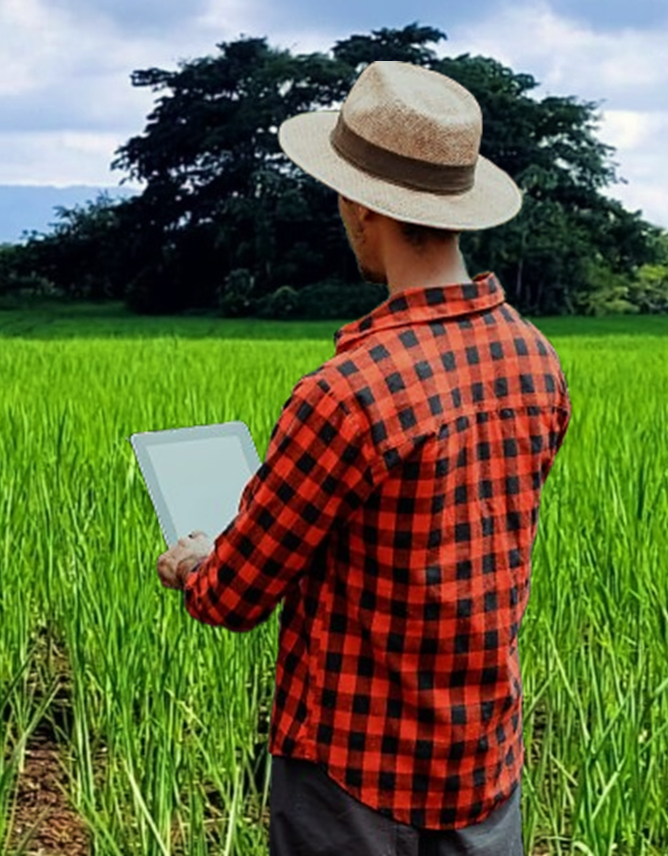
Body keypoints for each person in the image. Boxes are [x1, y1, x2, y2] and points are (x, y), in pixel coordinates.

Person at [152, 61, 572, 855]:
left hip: (354, 779)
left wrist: (199, 560)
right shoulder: (535, 360)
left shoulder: (347, 392)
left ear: (359, 205)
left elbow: (233, 598)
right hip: (483, 767)